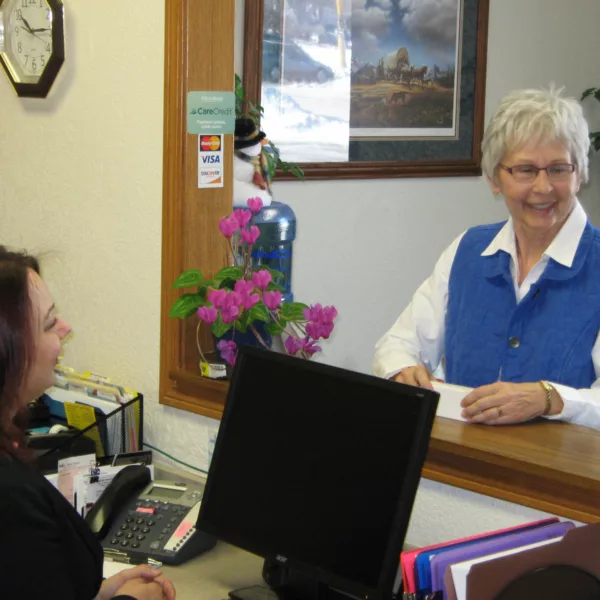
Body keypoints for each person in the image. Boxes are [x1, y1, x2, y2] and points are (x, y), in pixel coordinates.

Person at [373, 87, 600, 428]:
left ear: (579, 174)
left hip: (564, 475)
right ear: (495, 179)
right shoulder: (469, 248)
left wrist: (550, 398)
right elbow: (398, 344)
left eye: (558, 169)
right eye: (525, 170)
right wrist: (402, 369)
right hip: (461, 467)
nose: (543, 187)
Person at [0, 247, 176, 599]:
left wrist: (94, 592)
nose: (66, 329)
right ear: (10, 350)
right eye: (50, 322)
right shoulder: (10, 498)